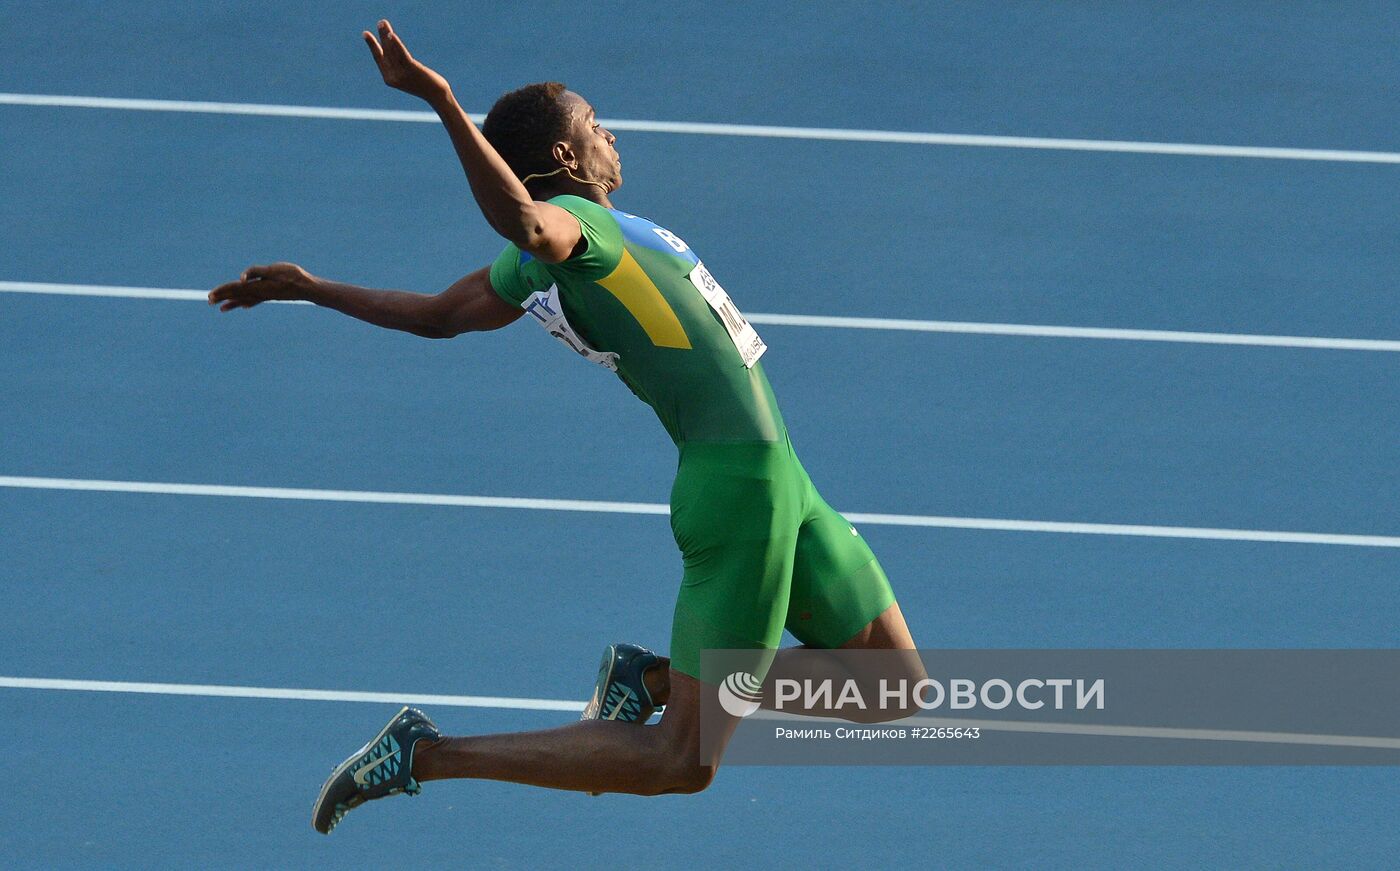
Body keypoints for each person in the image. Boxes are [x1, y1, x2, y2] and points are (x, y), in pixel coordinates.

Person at [208, 20, 922, 835]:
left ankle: (649, 678)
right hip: (739, 494)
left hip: (785, 480)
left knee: (891, 685)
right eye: (593, 126)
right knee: (681, 761)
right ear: (564, 163)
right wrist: (445, 103)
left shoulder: (590, 244)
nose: (610, 133)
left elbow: (440, 315)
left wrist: (315, 287)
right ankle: (427, 753)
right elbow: (524, 223)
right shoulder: (573, 236)